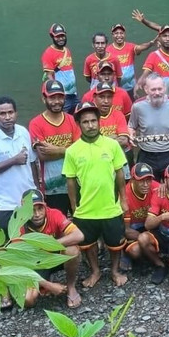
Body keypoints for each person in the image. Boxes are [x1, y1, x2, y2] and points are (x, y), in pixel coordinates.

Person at [63, 101, 129, 289]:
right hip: (86, 210)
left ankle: (115, 271)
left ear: (99, 122)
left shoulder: (112, 145)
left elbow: (119, 173)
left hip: (110, 207)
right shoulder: (72, 151)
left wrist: (123, 200)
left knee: (115, 244)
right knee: (88, 244)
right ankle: (95, 271)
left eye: (93, 121)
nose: (90, 125)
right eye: (85, 122)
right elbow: (70, 181)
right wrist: (74, 207)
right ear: (79, 124)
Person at [13, 189, 84, 309]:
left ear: (45, 206)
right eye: (31, 209)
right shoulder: (17, 226)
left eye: (40, 208)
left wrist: (50, 244)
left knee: (72, 250)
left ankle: (71, 286)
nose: (37, 214)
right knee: (27, 300)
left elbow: (79, 235)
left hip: (54, 255)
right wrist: (49, 285)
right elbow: (19, 266)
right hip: (35, 263)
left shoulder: (54, 214)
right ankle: (44, 285)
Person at [0, 96, 37, 234]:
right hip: (5, 203)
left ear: (16, 113)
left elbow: (32, 163)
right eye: (3, 114)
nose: (7, 117)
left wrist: (37, 190)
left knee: (33, 238)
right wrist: (14, 160)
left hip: (28, 197)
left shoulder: (23, 132)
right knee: (9, 243)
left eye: (10, 112)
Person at [28, 80, 79, 214]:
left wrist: (56, 150)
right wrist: (69, 148)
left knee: (80, 221)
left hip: (76, 182)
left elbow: (81, 152)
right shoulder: (36, 123)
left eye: (60, 97)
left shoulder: (72, 120)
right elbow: (43, 155)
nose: (57, 101)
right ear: (44, 98)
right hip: (52, 186)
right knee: (56, 223)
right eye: (52, 97)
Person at [128, 75, 169, 175]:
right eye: (153, 90)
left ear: (165, 88)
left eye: (160, 89)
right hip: (147, 155)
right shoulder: (137, 106)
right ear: (146, 89)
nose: (157, 93)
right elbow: (131, 126)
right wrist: (131, 134)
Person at [121, 162, 157, 267]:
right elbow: (126, 230)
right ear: (132, 180)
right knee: (135, 251)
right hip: (132, 228)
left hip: (148, 225)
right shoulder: (125, 197)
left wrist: (164, 187)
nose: (146, 184)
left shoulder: (155, 187)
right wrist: (144, 240)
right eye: (141, 181)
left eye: (148, 180)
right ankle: (126, 254)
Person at [107, 23, 156, 97]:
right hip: (114, 88)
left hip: (130, 87)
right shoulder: (108, 50)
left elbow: (141, 47)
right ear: (112, 35)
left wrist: (151, 43)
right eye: (116, 33)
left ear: (124, 34)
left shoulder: (131, 47)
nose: (119, 35)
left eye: (121, 33)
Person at [41, 23, 79, 114]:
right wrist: (57, 94)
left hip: (74, 93)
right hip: (62, 96)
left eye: (62, 36)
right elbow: (49, 76)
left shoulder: (67, 50)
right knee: (62, 117)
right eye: (58, 36)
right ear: (52, 37)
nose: (61, 38)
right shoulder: (48, 53)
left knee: (78, 116)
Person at [92, 80, 132, 151]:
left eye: (109, 97)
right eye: (102, 97)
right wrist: (113, 137)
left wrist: (101, 140)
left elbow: (124, 141)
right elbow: (90, 144)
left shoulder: (118, 114)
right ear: (95, 97)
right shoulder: (89, 117)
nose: (106, 101)